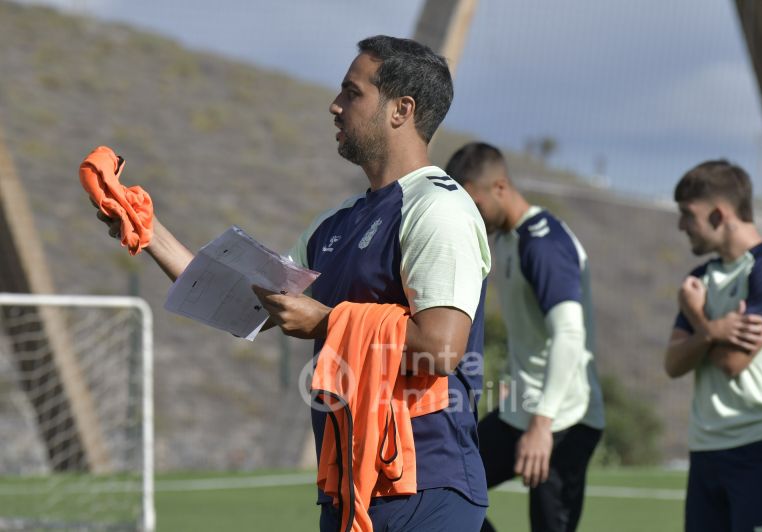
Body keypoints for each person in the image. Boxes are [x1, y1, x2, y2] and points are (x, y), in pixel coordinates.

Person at [95, 36, 491, 531]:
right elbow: (248, 302)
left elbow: (442, 347)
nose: (336, 105)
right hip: (350, 490)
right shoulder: (335, 222)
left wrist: (325, 321)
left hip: (427, 487)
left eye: (352, 92)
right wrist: (147, 231)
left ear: (401, 109)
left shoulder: (440, 208)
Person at [445, 142, 604, 532]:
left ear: (500, 187)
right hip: (523, 409)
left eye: (476, 206)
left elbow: (569, 334)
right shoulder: (509, 238)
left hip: (564, 420)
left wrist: (542, 425)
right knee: (443, 490)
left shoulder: (543, 243)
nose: (473, 218)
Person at [665, 160, 762, 532]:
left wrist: (699, 320)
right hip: (706, 446)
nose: (680, 225)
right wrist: (713, 330)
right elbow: (673, 362)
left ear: (719, 214)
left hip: (761, 440)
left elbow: (733, 362)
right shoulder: (700, 277)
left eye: (687, 214)